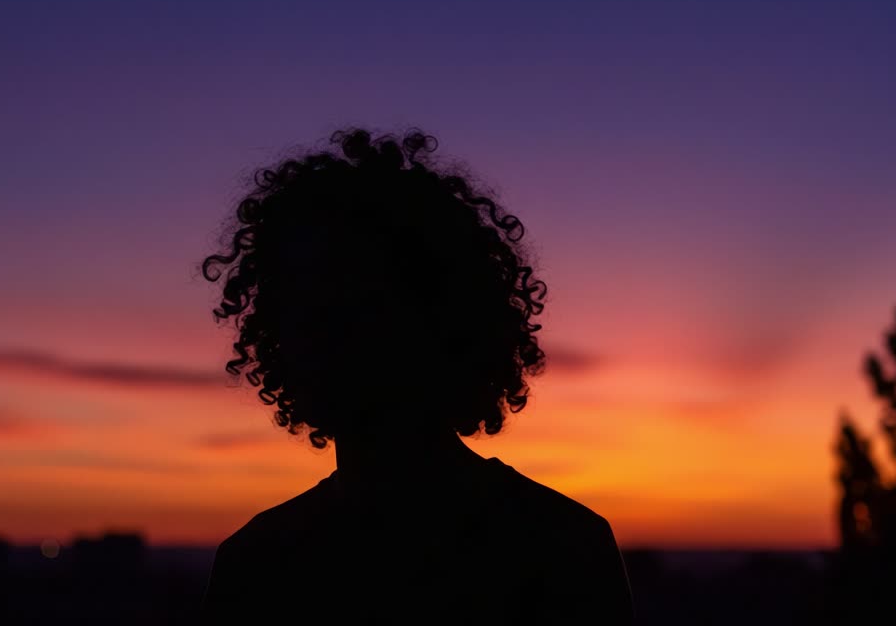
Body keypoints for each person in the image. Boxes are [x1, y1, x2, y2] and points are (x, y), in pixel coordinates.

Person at [198, 128, 633, 624]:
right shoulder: (256, 562)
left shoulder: (560, 548)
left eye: (362, 304)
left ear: (442, 322)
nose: (327, 334)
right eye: (305, 306)